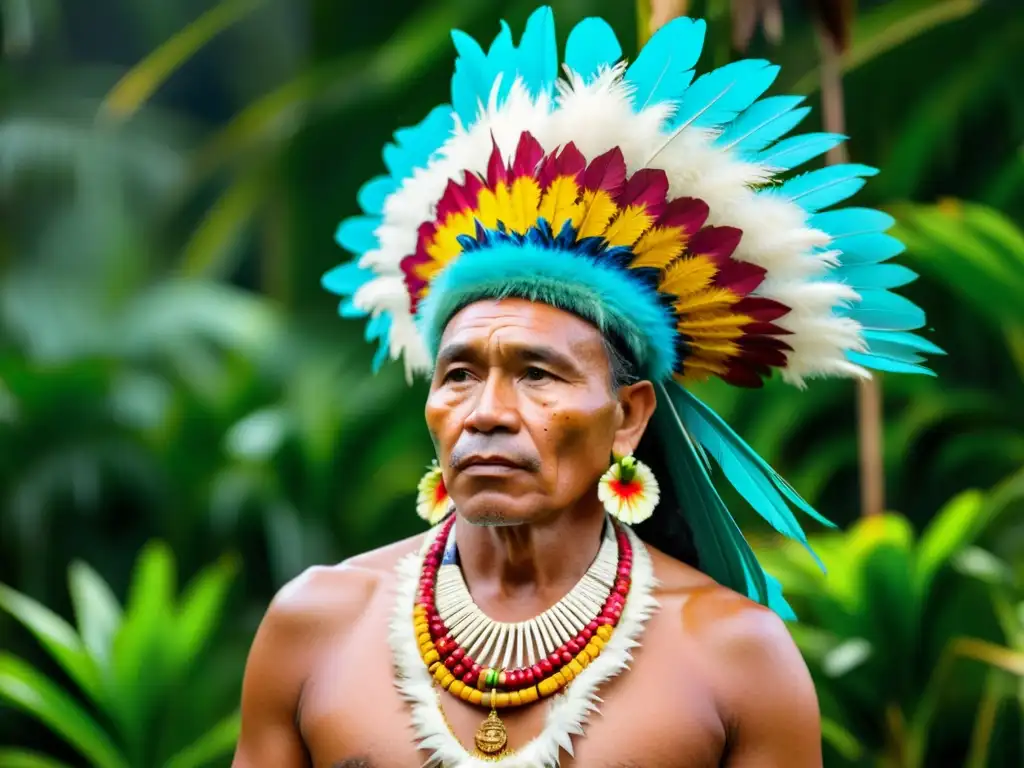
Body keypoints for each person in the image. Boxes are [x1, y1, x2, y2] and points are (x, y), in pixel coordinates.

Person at [232, 6, 938, 767]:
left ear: (628, 416)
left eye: (537, 374)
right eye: (460, 373)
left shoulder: (737, 659)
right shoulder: (317, 624)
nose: (488, 414)